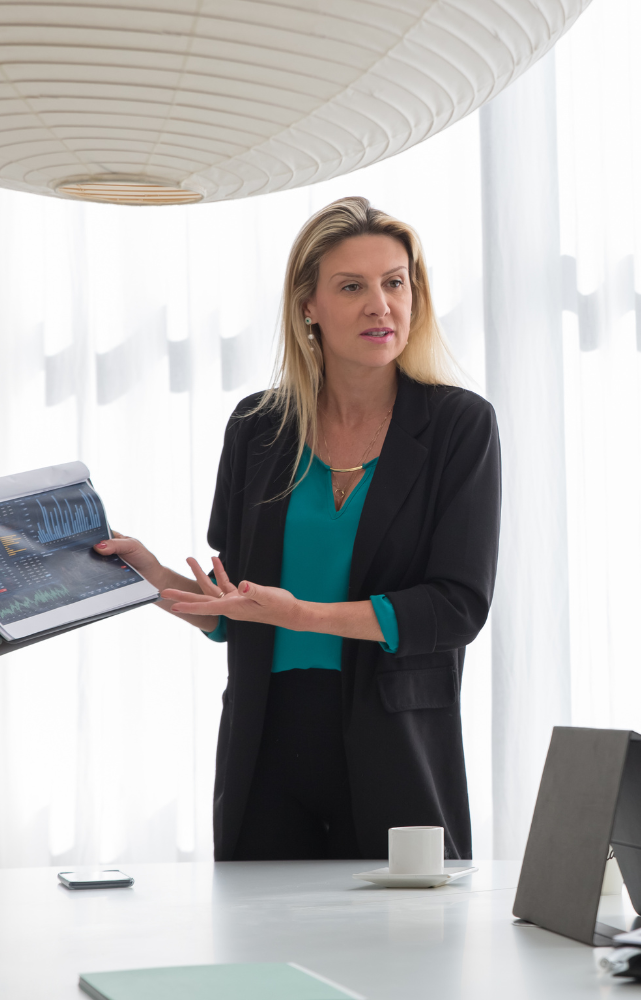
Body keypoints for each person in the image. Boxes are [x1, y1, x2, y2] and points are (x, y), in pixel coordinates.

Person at [97, 196, 500, 862]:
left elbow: (456, 609)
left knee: (406, 955)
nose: (381, 304)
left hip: (397, 744)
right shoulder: (257, 428)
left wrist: (302, 615)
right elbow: (235, 610)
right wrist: (156, 578)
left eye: (394, 282)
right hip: (265, 743)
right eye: (352, 286)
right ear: (308, 305)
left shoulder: (460, 426)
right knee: (262, 953)